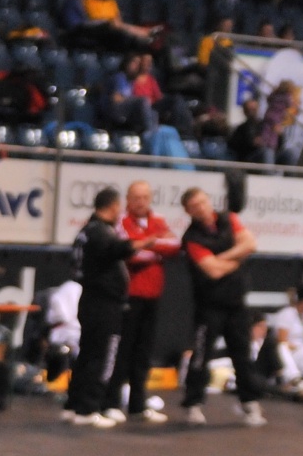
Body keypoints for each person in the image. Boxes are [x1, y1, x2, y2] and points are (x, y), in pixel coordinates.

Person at [62, 187, 156, 429]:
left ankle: (74, 405)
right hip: (103, 303)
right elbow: (119, 248)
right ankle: (89, 407)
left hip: (92, 300)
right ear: (113, 206)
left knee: (87, 354)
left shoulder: (87, 231)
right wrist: (144, 242)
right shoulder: (101, 232)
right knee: (102, 356)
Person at [179, 187, 265, 427]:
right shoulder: (191, 238)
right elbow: (213, 271)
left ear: (208, 201)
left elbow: (250, 244)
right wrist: (237, 258)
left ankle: (250, 403)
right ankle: (193, 405)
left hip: (236, 304)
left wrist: (222, 258)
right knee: (200, 357)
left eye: (202, 202)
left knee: (243, 356)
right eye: (194, 207)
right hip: (209, 306)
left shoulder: (229, 219)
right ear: (188, 212)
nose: (201, 208)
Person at [103, 181, 180, 424]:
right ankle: (111, 403)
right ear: (128, 199)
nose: (141, 202)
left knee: (144, 353)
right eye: (136, 197)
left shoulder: (158, 221)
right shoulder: (121, 222)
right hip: (129, 295)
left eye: (145, 197)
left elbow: (175, 246)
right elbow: (130, 253)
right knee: (123, 351)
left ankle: (138, 405)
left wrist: (147, 242)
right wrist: (155, 246)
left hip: (153, 296)